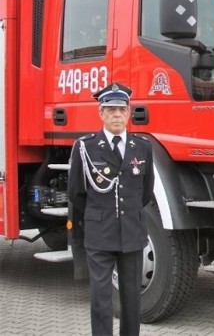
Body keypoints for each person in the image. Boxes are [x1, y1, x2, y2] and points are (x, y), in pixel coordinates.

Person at [68, 82, 154, 335]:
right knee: (101, 298)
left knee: (131, 299)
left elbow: (146, 191)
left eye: (121, 109)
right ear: (101, 113)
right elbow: (76, 192)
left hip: (132, 233)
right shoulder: (86, 147)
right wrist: (100, 215)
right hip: (100, 234)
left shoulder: (143, 146)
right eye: (110, 109)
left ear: (128, 113)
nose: (117, 114)